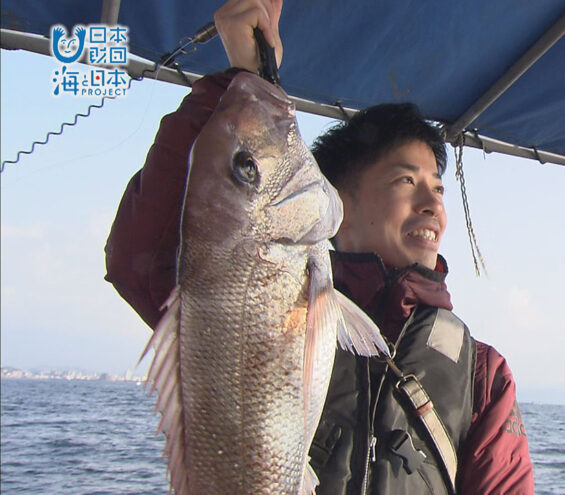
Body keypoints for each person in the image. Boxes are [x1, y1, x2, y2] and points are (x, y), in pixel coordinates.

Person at [104, 0, 534, 492]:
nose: (431, 204)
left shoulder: (483, 375)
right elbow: (139, 258)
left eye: (437, 188)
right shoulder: (249, 284)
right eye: (405, 181)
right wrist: (238, 83)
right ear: (338, 199)